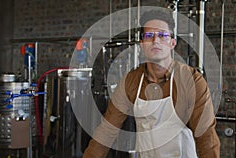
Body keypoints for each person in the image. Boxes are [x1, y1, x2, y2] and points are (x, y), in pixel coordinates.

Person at [83, 9, 220, 158]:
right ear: (142, 43)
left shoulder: (191, 80)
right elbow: (107, 131)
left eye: (162, 35)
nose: (156, 41)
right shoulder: (131, 81)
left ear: (172, 43)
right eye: (149, 36)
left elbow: (206, 137)